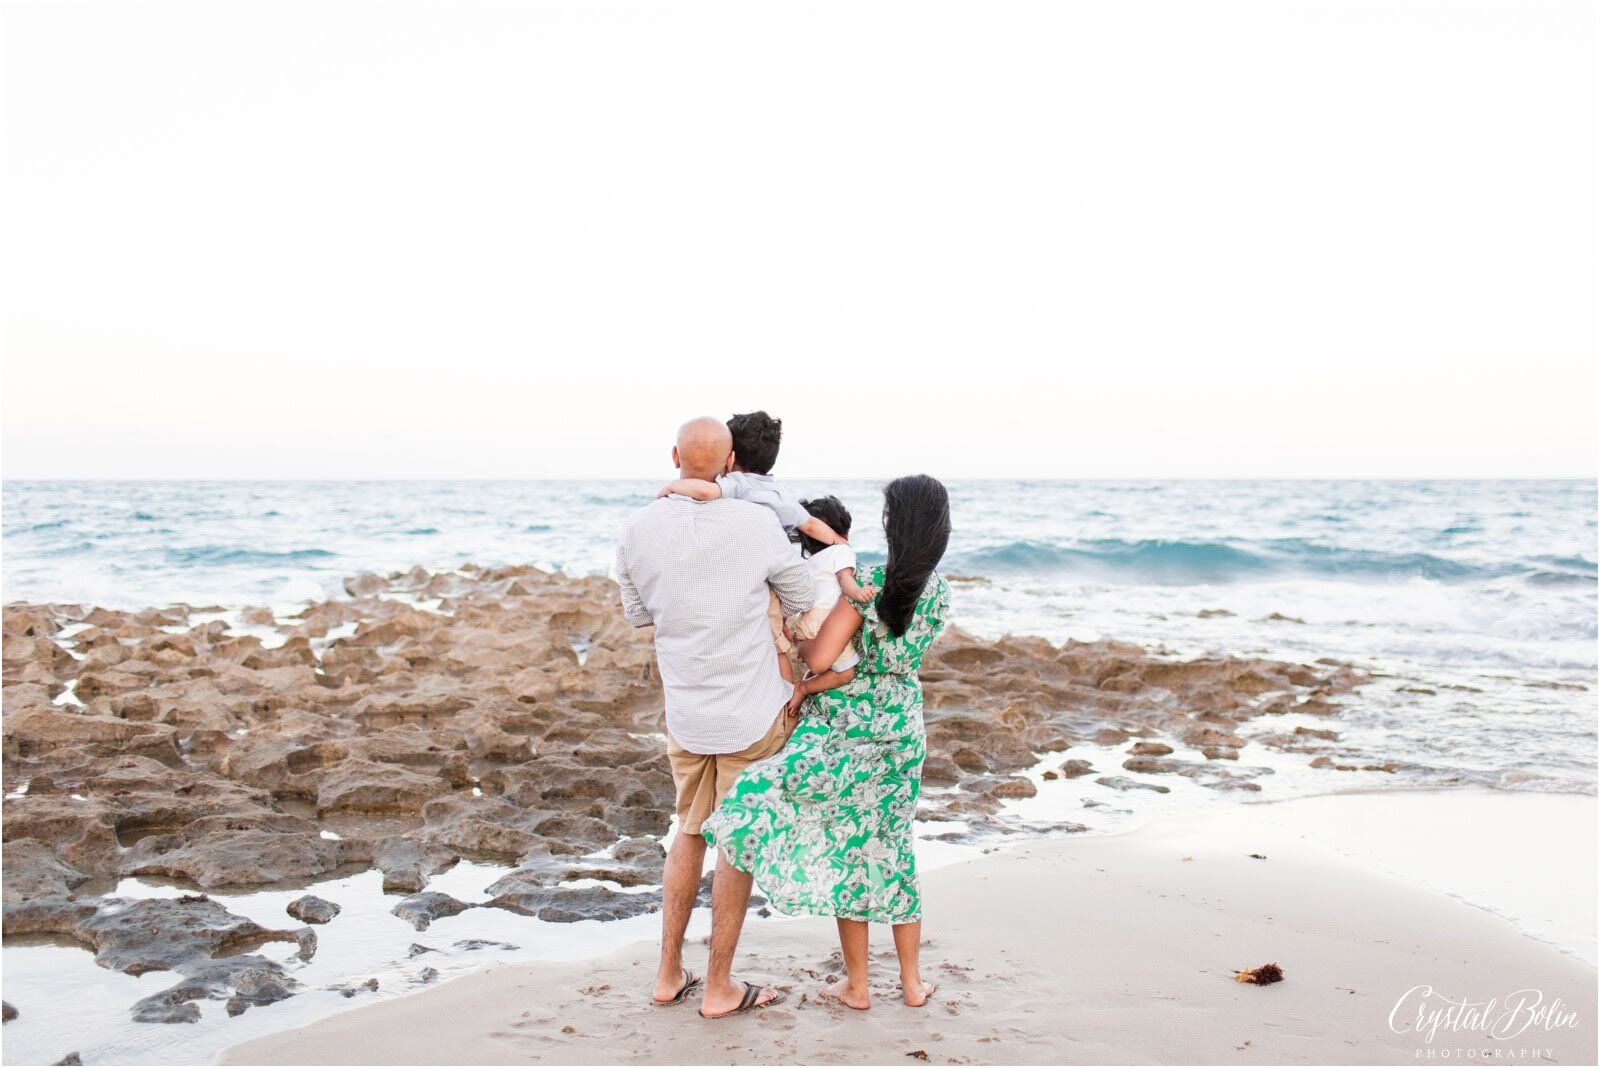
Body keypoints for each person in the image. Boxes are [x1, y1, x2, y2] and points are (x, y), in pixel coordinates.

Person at [702, 474, 953, 1011]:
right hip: (903, 725)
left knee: (846, 848)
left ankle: (858, 987)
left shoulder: (864, 581)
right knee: (893, 847)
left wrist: (797, 646)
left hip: (846, 724)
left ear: (892, 522)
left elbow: (820, 660)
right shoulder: (939, 589)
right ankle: (912, 985)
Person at [615, 416, 814, 1019]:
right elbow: (802, 596)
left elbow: (635, 614)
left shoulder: (639, 526)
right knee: (738, 840)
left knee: (690, 830)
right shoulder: (755, 522)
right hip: (751, 709)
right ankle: (720, 986)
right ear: (730, 465)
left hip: (688, 711)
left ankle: (669, 973)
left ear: (674, 455)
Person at [656, 411, 861, 660]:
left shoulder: (738, 484)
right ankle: (786, 692)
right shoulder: (781, 493)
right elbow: (810, 525)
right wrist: (839, 542)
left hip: (742, 574)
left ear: (730, 458)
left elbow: (707, 492)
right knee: (778, 644)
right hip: (772, 577)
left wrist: (672, 487)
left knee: (773, 640)